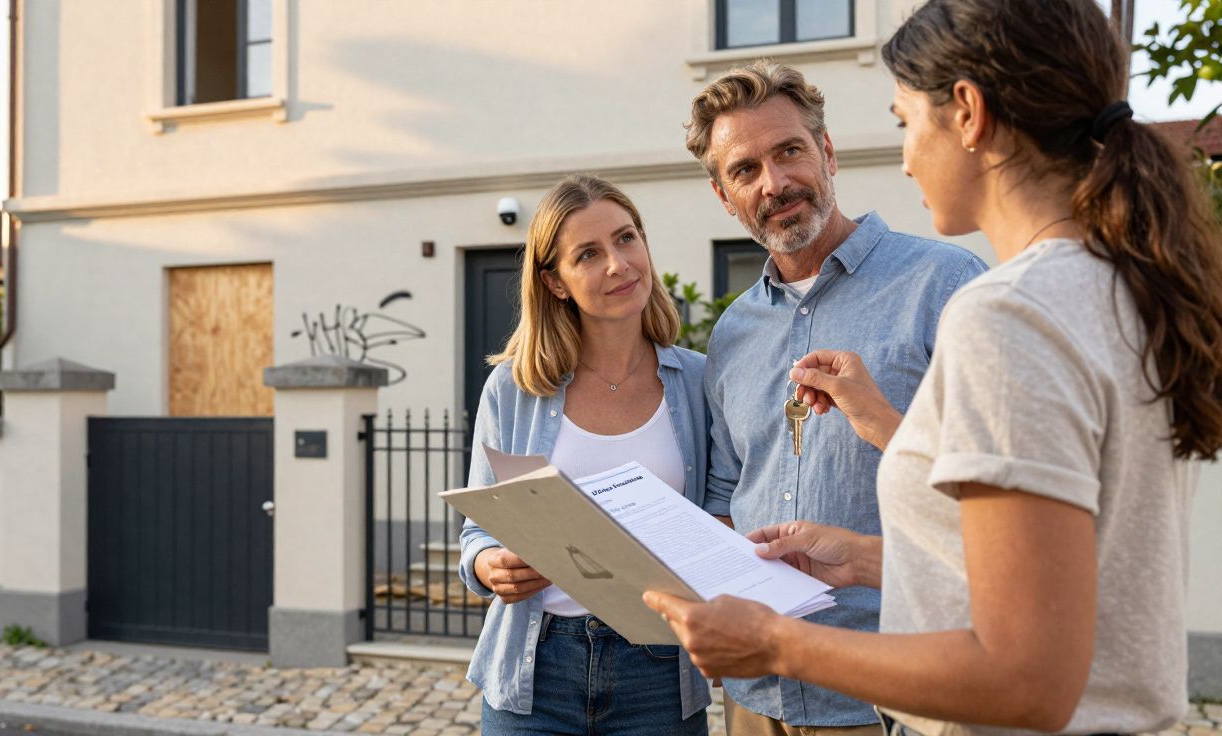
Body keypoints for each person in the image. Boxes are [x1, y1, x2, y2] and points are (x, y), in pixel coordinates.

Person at [645, 0, 1222, 733]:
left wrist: (773, 641)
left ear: (968, 114)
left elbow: (1024, 678)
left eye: (903, 121)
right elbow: (1060, 574)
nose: (907, 154)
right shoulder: (1118, 287)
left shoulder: (1000, 311)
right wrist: (861, 559)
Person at [684, 60, 987, 735]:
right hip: (755, 697)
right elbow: (730, 490)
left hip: (890, 691)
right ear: (722, 193)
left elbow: (993, 485)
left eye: (789, 150)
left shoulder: (946, 284)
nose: (775, 182)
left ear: (826, 151)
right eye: (745, 170)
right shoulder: (733, 332)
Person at [457, 175, 712, 735]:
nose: (618, 265)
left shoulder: (699, 382)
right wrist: (489, 566)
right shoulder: (514, 388)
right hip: (536, 668)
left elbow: (724, 515)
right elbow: (477, 532)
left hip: (659, 670)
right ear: (555, 281)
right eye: (589, 254)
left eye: (626, 240)